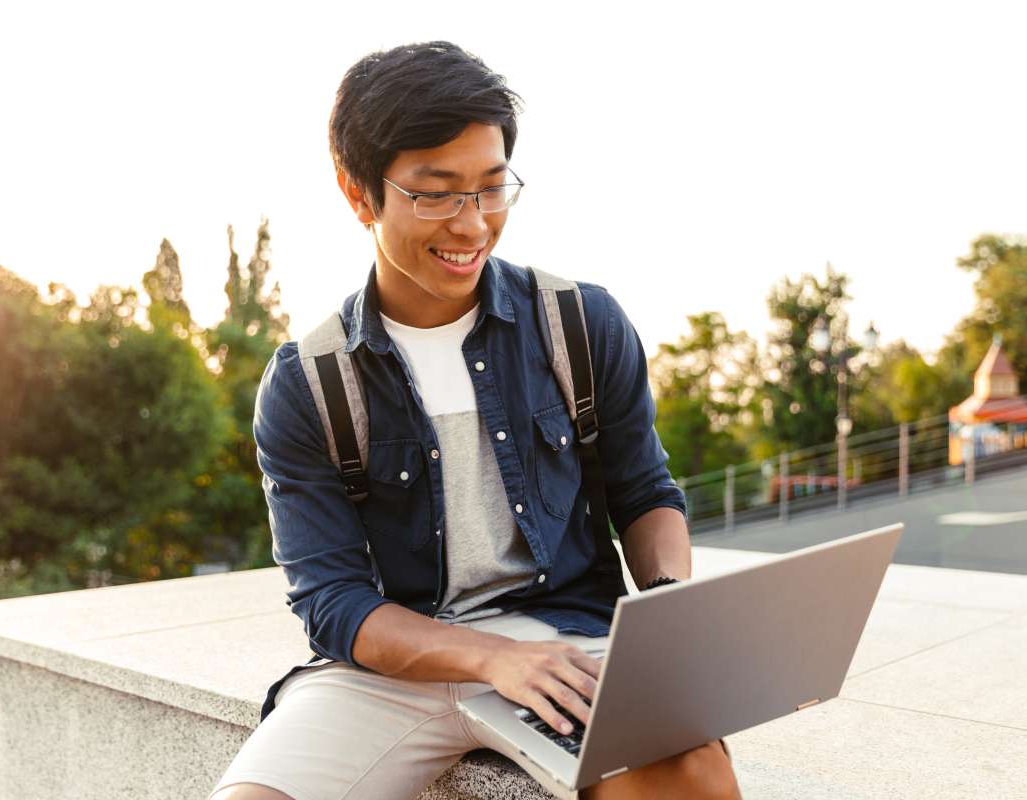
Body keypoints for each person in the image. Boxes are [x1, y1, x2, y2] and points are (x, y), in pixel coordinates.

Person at [210, 41, 741, 800]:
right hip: (392, 667)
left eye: (492, 188)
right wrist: (487, 656)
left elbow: (647, 493)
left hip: (568, 642)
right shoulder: (308, 382)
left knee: (689, 778)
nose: (473, 224)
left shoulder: (581, 325)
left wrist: (663, 606)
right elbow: (333, 604)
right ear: (359, 194)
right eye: (436, 193)